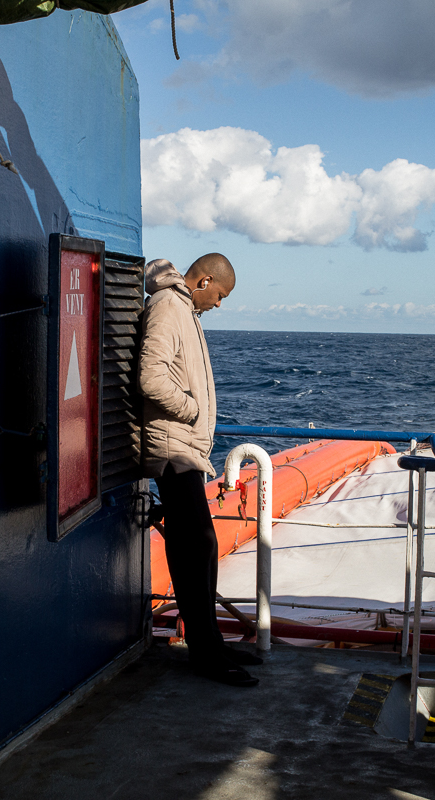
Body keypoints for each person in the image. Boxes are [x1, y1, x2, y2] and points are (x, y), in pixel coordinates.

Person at [138, 253, 260, 688]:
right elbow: (150, 378)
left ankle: (210, 641)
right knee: (196, 545)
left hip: (184, 446)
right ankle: (206, 653)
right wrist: (191, 410)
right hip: (173, 447)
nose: (220, 304)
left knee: (200, 546)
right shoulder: (169, 307)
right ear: (204, 280)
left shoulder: (183, 308)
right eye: (220, 295)